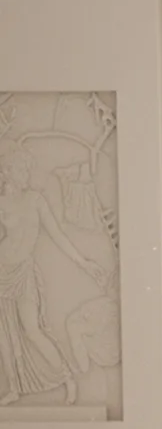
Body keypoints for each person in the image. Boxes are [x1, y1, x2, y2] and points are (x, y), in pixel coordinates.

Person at [0, 142, 104, 405]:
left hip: (23, 273)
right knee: (3, 334)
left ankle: (67, 378)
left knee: (32, 329)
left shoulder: (35, 200)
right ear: (7, 171)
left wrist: (84, 263)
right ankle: (13, 387)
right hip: (1, 271)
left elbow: (58, 236)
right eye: (22, 169)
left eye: (27, 169)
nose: (27, 174)